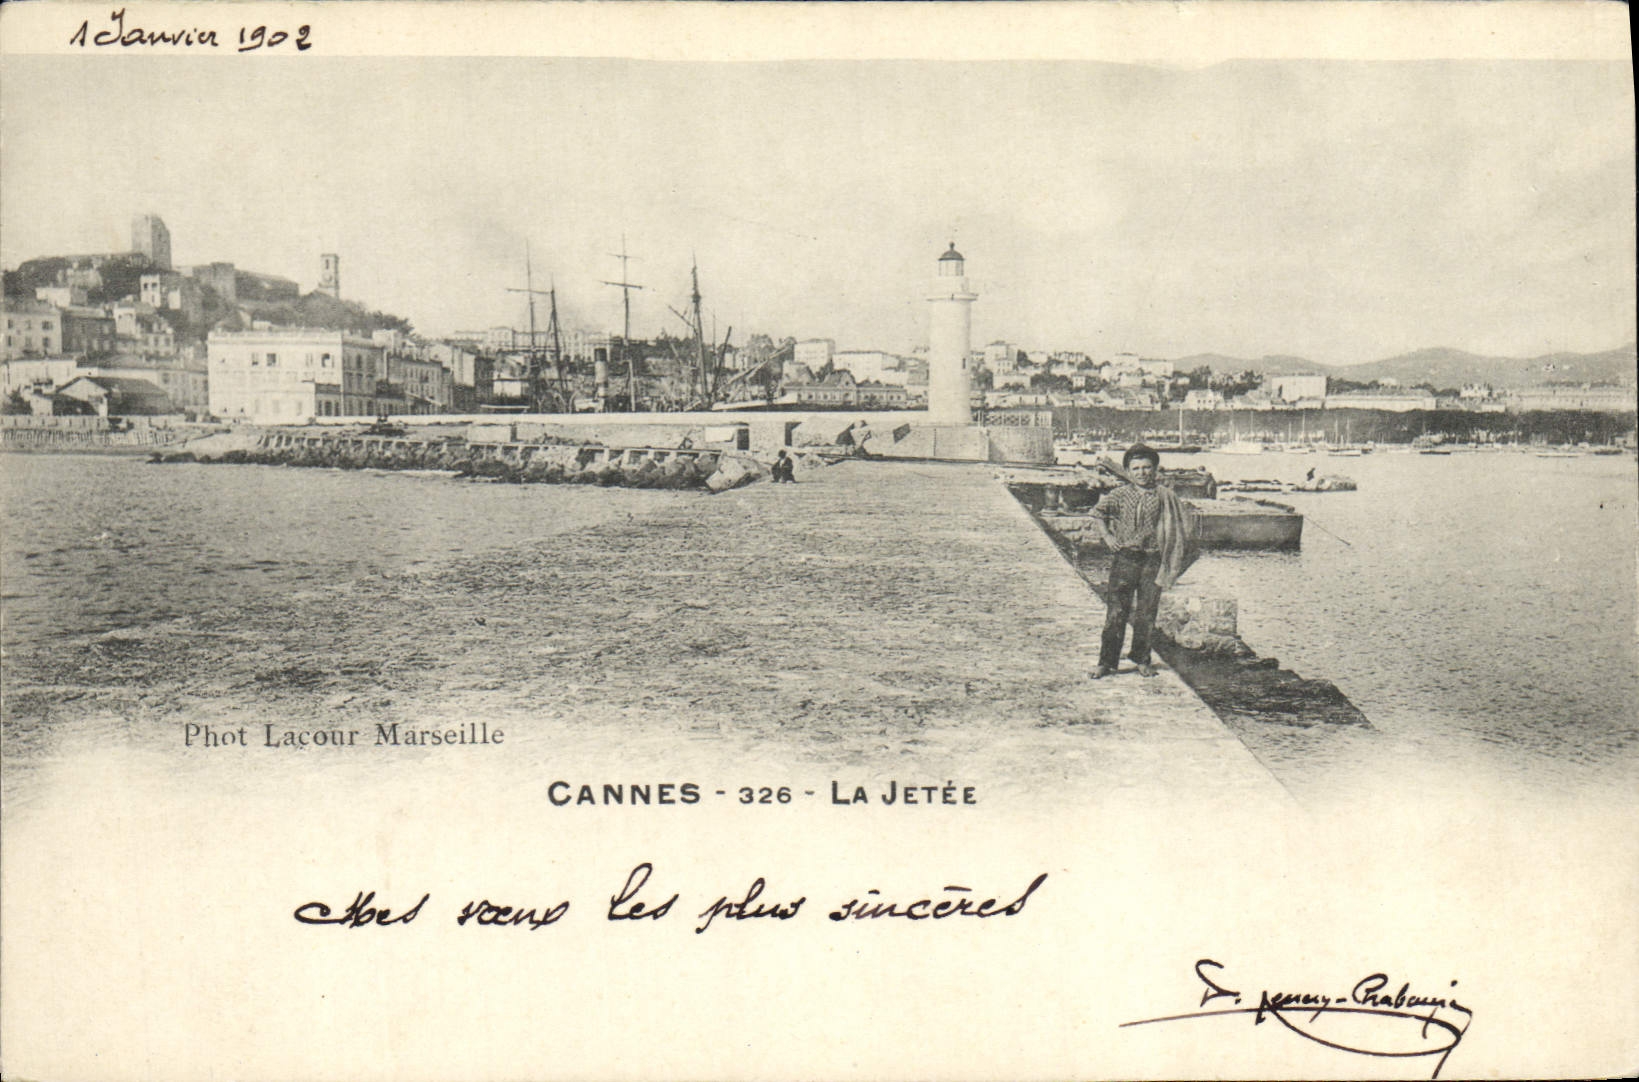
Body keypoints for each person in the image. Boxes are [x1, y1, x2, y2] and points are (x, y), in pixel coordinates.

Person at [1091, 444, 1194, 678]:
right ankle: (1107, 662)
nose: (1142, 473)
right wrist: (1107, 536)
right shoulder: (1119, 494)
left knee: (1147, 612)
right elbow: (1097, 513)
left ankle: (1141, 658)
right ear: (1128, 471)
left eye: (1147, 468)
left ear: (1155, 469)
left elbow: (1181, 528)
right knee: (1116, 612)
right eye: (1136, 468)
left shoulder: (1164, 496)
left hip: (1152, 561)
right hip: (1125, 559)